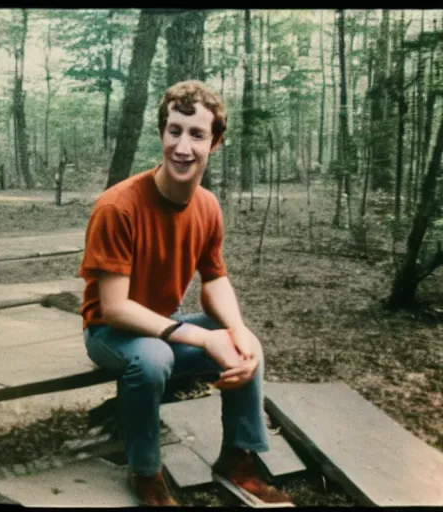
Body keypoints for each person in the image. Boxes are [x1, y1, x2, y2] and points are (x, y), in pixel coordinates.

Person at [79, 79, 292, 507]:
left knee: (244, 341)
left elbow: (214, 280)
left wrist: (235, 331)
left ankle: (238, 458)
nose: (183, 146)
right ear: (162, 133)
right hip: (110, 334)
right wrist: (201, 336)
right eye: (174, 130)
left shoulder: (208, 206)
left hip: (164, 328)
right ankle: (146, 473)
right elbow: (116, 309)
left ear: (215, 143)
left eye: (197, 134)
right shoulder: (117, 207)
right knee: (154, 358)